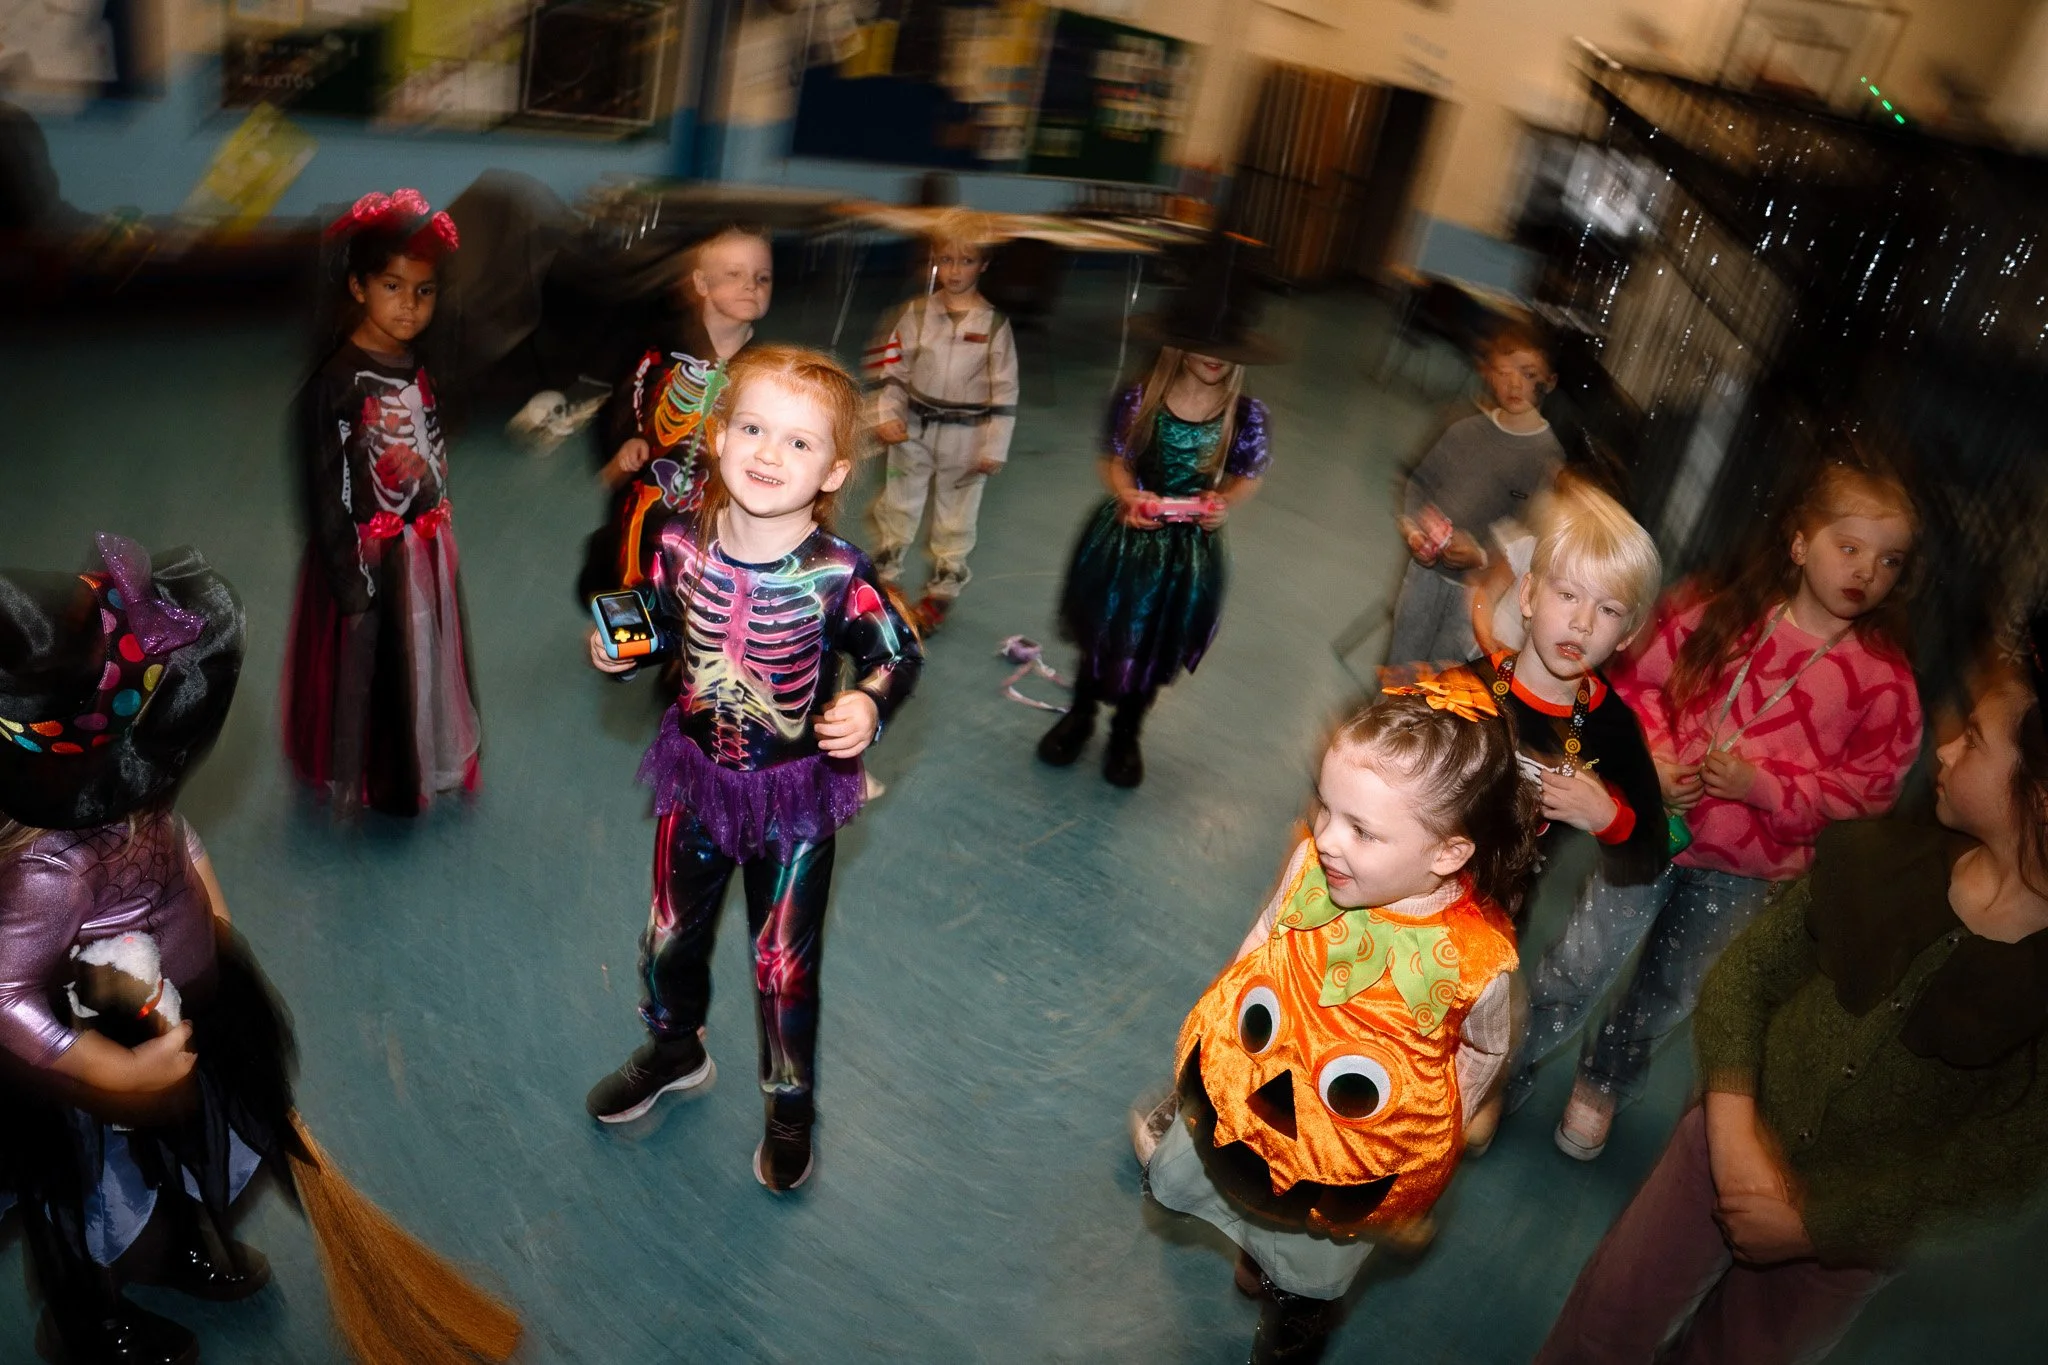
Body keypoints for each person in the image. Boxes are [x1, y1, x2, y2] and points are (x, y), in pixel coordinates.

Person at [0, 535, 519, 1365]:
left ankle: (172, 1249)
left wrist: (209, 904)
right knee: (98, 1193)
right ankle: (88, 1320)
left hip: (181, 1010)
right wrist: (99, 1068)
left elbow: (179, 839)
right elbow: (4, 993)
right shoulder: (46, 871)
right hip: (96, 1064)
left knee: (178, 1152)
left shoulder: (137, 799)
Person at [1534, 614, 2048, 1365]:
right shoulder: (1878, 859)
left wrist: (1819, 1225)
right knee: (1609, 1319)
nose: (1943, 748)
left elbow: (1995, 1161)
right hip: (1718, 1143)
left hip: (1840, 1247)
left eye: (1971, 738)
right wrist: (1734, 1128)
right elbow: (1745, 975)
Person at [583, 345, 922, 1192]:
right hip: (695, 780)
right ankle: (674, 1046)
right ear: (721, 433)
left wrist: (872, 703)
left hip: (795, 802)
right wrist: (622, 651)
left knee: (781, 963)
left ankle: (790, 1102)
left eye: (800, 443)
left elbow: (896, 650)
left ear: (836, 469)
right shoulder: (676, 540)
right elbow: (661, 618)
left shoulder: (839, 573)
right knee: (667, 932)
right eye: (754, 428)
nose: (770, 454)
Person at [1515, 459, 1923, 1160]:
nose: (1866, 571)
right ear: (1800, 543)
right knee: (1583, 958)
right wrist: (1652, 765)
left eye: (1888, 561)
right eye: (1848, 547)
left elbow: (1868, 794)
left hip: (1746, 871)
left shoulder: (1885, 684)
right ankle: (1508, 1062)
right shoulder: (1713, 608)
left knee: (1672, 987)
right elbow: (1630, 689)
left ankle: (1606, 1077)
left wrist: (1765, 788)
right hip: (1647, 834)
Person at [1132, 674, 1538, 1364]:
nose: (1325, 838)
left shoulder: (1475, 963)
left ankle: (1292, 1319)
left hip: (1345, 1148)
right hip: (1258, 1102)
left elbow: (1482, 1049)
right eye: (1327, 806)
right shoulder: (1311, 866)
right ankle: (1257, 1251)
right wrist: (1221, 1030)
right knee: (1243, 1181)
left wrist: (1432, 1143)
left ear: (1447, 853)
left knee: (1308, 1264)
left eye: (1361, 829)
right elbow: (1261, 942)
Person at [1459, 480, 1665, 1146]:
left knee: (1454, 1092)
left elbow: (1650, 850)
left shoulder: (1611, 727)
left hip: (1490, 935)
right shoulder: (1473, 683)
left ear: (1627, 632)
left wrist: (1607, 813)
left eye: (1606, 610)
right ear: (1528, 595)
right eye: (1567, 595)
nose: (1579, 623)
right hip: (1411, 896)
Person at [1037, 236, 1278, 788]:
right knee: (1106, 629)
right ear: (1177, 343)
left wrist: (1223, 503)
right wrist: (1128, 493)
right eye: (1200, 341)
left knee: (1153, 643)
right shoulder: (1139, 397)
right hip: (1126, 539)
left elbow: (1248, 474)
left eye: (1225, 345)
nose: (1213, 354)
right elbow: (1114, 458)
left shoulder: (1246, 414)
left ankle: (1127, 729)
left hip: (1186, 553)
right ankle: (1081, 713)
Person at [282, 188, 481, 819]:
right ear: (359, 287)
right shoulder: (334, 384)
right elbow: (324, 493)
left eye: (423, 291)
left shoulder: (418, 365)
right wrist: (350, 583)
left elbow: (431, 452)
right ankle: (385, 782)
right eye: (392, 287)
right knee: (380, 673)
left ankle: (425, 758)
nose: (409, 306)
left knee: (422, 662)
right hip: (367, 559)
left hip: (423, 547)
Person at [576, 225, 774, 601]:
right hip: (651, 475)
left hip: (715, 493)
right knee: (630, 547)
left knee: (708, 566)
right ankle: (622, 625)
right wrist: (625, 441)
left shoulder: (765, 366)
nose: (751, 285)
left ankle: (689, 639)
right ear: (701, 283)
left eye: (762, 277)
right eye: (734, 274)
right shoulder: (660, 345)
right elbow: (625, 393)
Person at [866, 207, 1020, 634]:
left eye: (967, 260)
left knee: (957, 517)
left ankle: (942, 592)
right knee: (898, 502)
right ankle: (884, 579)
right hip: (913, 429)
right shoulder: (915, 316)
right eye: (947, 259)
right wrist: (887, 415)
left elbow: (1005, 393)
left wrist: (993, 446)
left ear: (983, 264)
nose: (955, 270)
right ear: (934, 259)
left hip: (966, 438)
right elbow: (892, 373)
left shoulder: (993, 326)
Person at [1384, 321, 1564, 668]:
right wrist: (1412, 527)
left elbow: (1531, 533)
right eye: (1502, 371)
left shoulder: (1547, 457)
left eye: (1528, 374)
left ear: (1550, 382)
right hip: (1424, 577)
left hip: (1478, 595)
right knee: (1399, 669)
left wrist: (1482, 556)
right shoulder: (1464, 428)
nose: (1513, 384)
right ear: (1487, 372)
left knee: (1447, 680)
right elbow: (1420, 482)